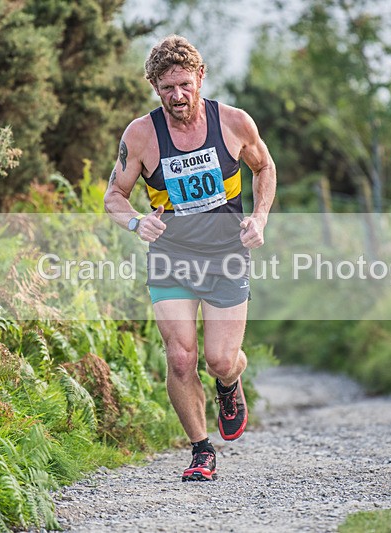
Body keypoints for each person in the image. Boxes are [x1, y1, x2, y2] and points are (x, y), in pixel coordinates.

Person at [104, 35, 276, 481]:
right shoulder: (141, 135)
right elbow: (114, 197)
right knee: (180, 358)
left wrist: (258, 218)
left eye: (183, 84)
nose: (177, 96)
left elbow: (265, 167)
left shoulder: (234, 123)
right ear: (154, 88)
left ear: (200, 77)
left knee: (221, 359)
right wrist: (136, 223)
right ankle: (201, 451)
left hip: (226, 256)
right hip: (171, 256)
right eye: (166, 88)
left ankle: (228, 383)